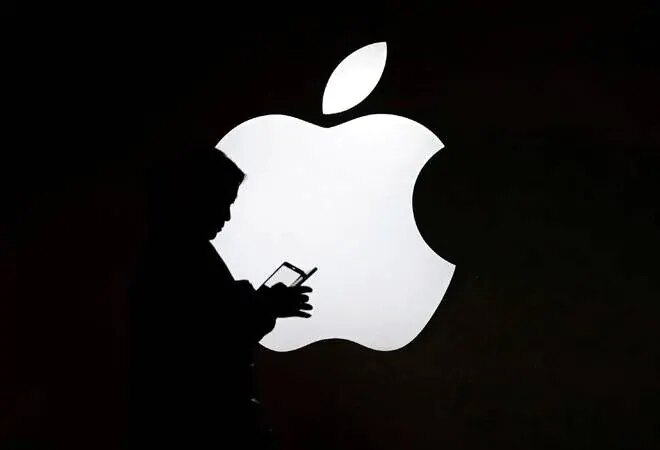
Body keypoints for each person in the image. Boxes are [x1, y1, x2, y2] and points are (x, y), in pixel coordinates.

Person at [129, 147, 313, 449]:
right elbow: (211, 333)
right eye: (222, 202)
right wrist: (266, 305)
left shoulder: (167, 249)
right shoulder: (181, 255)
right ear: (195, 197)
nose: (226, 216)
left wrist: (261, 304)